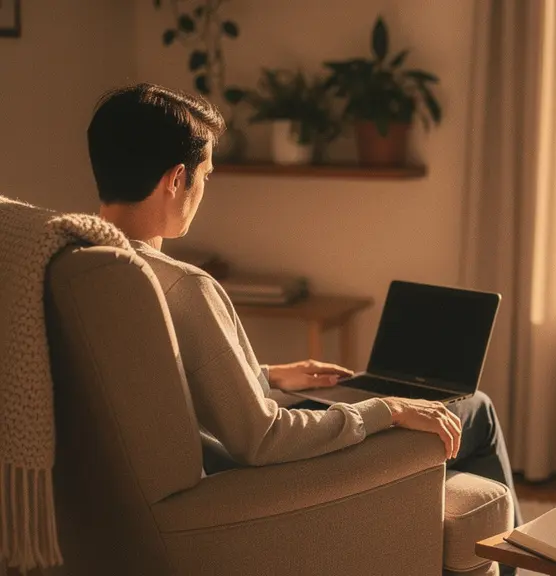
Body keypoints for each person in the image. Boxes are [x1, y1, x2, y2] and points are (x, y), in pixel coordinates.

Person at [87, 84, 521, 528]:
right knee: (477, 410)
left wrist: (267, 375)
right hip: (265, 478)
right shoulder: (184, 287)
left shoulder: (83, 266)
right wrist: (387, 409)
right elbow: (261, 439)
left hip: (207, 464)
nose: (204, 188)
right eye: (206, 175)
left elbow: (170, 384)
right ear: (177, 179)